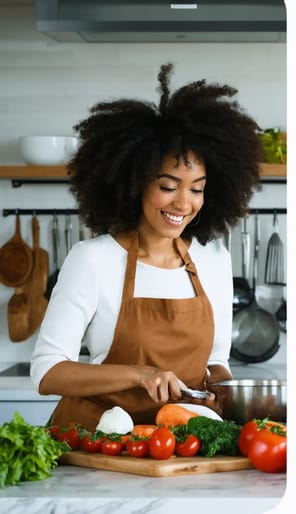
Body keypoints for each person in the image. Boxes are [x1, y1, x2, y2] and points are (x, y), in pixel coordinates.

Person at [30, 63, 263, 430]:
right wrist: (138, 375)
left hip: (179, 443)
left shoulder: (213, 259)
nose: (184, 204)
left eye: (197, 188)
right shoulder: (94, 259)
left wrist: (223, 389)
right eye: (168, 186)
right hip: (98, 440)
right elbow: (47, 371)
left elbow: (217, 359)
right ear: (135, 181)